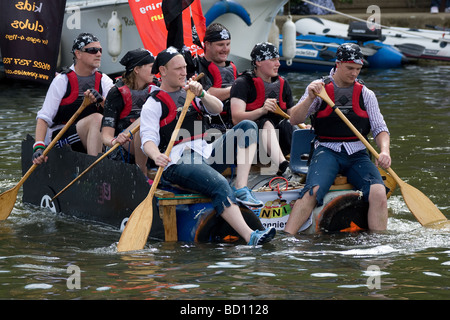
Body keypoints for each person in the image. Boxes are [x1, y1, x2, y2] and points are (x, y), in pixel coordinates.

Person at [140, 47, 276, 246]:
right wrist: (156, 155)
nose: (183, 72)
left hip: (205, 153)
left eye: (184, 67)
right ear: (162, 71)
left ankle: (241, 187)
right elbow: (147, 140)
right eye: (177, 68)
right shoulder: (153, 104)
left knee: (247, 127)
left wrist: (202, 93)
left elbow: (218, 108)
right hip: (177, 162)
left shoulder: (192, 92)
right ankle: (251, 236)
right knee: (220, 183)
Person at [285, 43, 391, 234]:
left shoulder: (366, 94)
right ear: (338, 64)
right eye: (350, 68)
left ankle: (378, 241)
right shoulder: (319, 89)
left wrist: (384, 150)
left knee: (378, 192)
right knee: (314, 191)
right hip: (326, 150)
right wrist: (309, 98)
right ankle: (287, 236)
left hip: (357, 154)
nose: (354, 73)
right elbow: (294, 119)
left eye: (358, 69)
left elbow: (380, 128)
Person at [32, 33, 114, 165]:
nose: (98, 54)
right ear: (78, 54)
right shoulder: (62, 80)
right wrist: (39, 147)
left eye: (100, 50)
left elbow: (115, 113)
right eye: (92, 50)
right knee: (97, 119)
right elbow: (44, 118)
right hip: (60, 140)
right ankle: (96, 171)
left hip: (91, 136)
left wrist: (102, 100)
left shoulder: (104, 80)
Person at [230, 42, 295, 178]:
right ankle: (284, 167)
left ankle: (301, 163)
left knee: (292, 126)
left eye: (278, 59)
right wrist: (262, 110)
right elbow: (236, 118)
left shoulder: (283, 84)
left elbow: (293, 116)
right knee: (265, 122)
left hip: (279, 142)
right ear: (258, 62)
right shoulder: (242, 83)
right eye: (273, 60)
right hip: (251, 143)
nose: (278, 64)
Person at [101, 48, 155, 176]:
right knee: (144, 122)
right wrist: (114, 141)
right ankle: (142, 174)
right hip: (122, 147)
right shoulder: (116, 93)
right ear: (137, 70)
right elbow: (105, 136)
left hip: (150, 145)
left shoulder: (156, 87)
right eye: (151, 67)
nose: (155, 70)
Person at [196, 23, 237, 132]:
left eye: (228, 44)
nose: (225, 49)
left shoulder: (232, 67)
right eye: (220, 45)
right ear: (207, 44)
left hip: (232, 122)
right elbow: (208, 93)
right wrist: (237, 88)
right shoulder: (198, 66)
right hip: (208, 125)